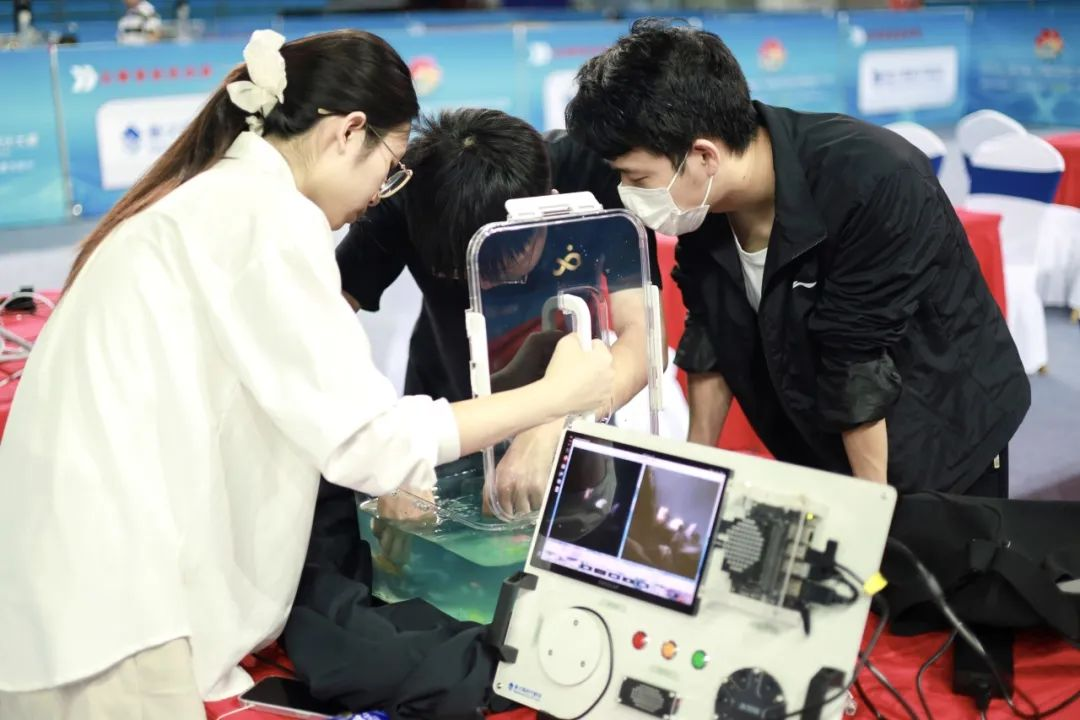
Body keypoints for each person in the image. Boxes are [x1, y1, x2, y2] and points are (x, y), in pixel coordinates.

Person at [0, 29, 613, 719]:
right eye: (390, 167)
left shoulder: (223, 200)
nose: (382, 194)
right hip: (112, 608)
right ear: (349, 132)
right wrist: (553, 398)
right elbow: (369, 441)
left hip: (82, 582)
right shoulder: (267, 221)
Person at [564, 19, 1030, 497]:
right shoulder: (703, 206)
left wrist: (868, 511)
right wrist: (692, 469)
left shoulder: (875, 181)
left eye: (637, 179)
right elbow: (710, 333)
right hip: (820, 433)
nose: (628, 193)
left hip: (939, 427)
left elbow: (855, 363)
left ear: (704, 156)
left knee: (926, 539)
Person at [337, 108, 663, 516]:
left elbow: (643, 336)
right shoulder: (406, 194)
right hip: (454, 413)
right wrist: (394, 451)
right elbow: (321, 330)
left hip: (579, 411)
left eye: (505, 268)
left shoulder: (591, 175)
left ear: (548, 206)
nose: (486, 286)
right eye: (461, 275)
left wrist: (555, 420)